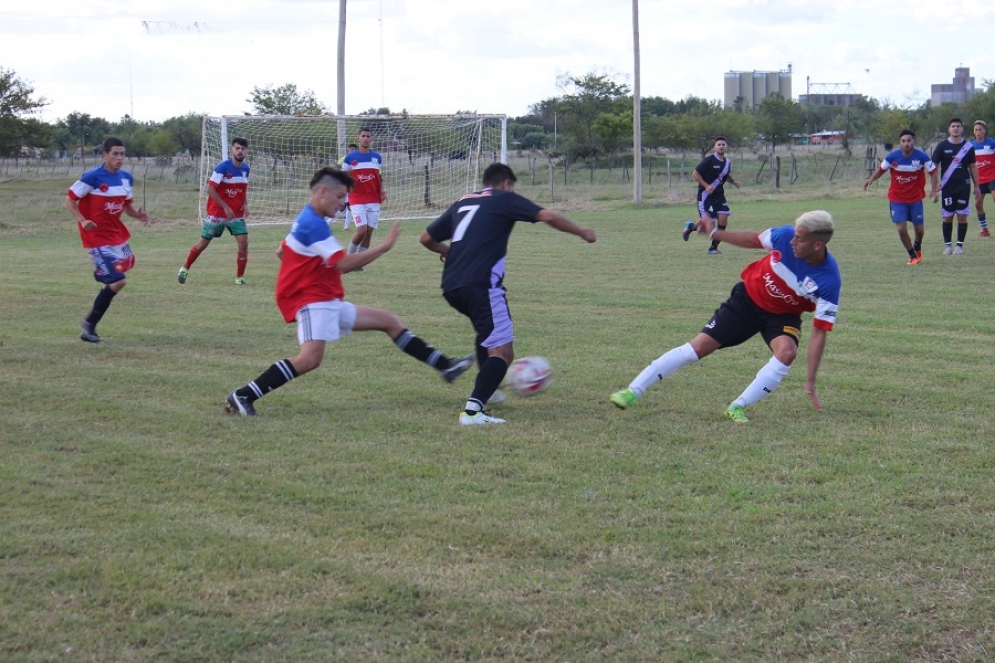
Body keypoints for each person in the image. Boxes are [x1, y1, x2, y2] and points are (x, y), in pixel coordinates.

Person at [225, 167, 472, 417]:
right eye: (341, 196)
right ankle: (244, 394)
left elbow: (282, 251)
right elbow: (342, 264)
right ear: (323, 192)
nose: (344, 203)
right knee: (310, 359)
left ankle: (446, 366)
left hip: (323, 298)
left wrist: (302, 271)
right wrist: (384, 247)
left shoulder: (307, 218)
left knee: (390, 321)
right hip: (312, 301)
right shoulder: (313, 224)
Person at [611, 210, 841, 423]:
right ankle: (633, 390)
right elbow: (753, 239)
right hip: (747, 301)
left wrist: (810, 380)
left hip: (782, 315)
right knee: (698, 348)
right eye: (795, 235)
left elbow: (820, 331)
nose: (793, 241)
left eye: (800, 239)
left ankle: (737, 407)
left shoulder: (828, 280)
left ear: (818, 244)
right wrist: (714, 232)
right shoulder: (784, 236)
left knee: (787, 352)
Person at [419, 163, 597, 426]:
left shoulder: (464, 201)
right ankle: (473, 412)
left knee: (487, 334)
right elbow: (547, 216)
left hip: (452, 285)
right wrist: (582, 232)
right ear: (505, 183)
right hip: (482, 285)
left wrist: (447, 250)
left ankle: (489, 392)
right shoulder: (504, 198)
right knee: (502, 352)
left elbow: (425, 238)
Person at [65, 137, 150, 343]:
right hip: (96, 236)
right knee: (118, 281)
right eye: (115, 154)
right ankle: (89, 326)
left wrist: (137, 215)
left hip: (116, 235)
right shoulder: (93, 177)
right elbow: (69, 200)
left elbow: (127, 207)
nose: (119, 158)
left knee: (126, 265)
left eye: (122, 154)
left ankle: (102, 272)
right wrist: (82, 220)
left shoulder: (126, 178)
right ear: (105, 155)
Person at [178, 137, 250, 285]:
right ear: (232, 150)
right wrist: (225, 206)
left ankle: (239, 278)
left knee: (243, 243)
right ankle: (185, 268)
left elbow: (242, 190)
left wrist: (245, 203)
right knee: (203, 244)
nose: (240, 151)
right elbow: (210, 189)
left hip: (236, 213)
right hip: (217, 212)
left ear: (246, 151)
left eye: (243, 148)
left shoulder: (245, 169)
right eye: (237, 148)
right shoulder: (222, 167)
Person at [863, 129, 938, 265]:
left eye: (909, 140)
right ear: (900, 142)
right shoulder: (892, 157)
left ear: (913, 142)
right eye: (903, 141)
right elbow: (881, 170)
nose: (906, 143)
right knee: (901, 228)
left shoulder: (922, 157)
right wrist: (871, 179)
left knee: (919, 230)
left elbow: (933, 172)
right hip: (897, 198)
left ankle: (917, 247)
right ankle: (912, 255)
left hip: (915, 198)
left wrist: (934, 190)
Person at [685, 136, 742, 254]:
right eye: (719, 144)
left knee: (723, 221)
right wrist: (706, 185)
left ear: (726, 147)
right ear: (714, 147)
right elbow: (695, 174)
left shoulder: (727, 162)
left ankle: (713, 248)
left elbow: (725, 176)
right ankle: (691, 227)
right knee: (709, 227)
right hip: (706, 197)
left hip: (719, 196)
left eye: (723, 144)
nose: (721, 146)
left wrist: (733, 182)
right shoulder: (708, 160)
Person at [931, 118, 979, 254]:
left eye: (958, 126)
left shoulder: (968, 147)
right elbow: (933, 166)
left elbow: (973, 166)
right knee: (947, 216)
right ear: (949, 129)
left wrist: (977, 186)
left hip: (963, 186)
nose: (956, 128)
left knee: (962, 216)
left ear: (962, 129)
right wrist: (935, 185)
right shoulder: (942, 146)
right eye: (953, 126)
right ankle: (947, 246)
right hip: (947, 187)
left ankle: (959, 246)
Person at [342, 128, 387, 258]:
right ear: (358, 138)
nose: (366, 138)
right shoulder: (350, 158)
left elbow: (379, 176)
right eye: (363, 136)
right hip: (357, 198)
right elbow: (343, 177)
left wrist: (382, 191)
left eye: (368, 136)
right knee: (362, 231)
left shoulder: (377, 158)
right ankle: (349, 258)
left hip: (374, 199)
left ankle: (360, 262)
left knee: (369, 232)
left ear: (372, 139)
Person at [971, 119, 995, 237]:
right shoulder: (970, 146)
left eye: (980, 129)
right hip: (979, 180)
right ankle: (985, 230)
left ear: (984, 131)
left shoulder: (992, 143)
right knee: (977, 204)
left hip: (993, 177)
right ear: (973, 132)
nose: (978, 132)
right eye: (976, 130)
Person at [337, 143, 358, 230]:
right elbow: (338, 171)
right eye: (351, 149)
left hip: (352, 185)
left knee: (350, 205)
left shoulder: (358, 159)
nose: (353, 151)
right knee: (341, 205)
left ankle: (346, 227)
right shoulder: (343, 159)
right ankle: (327, 222)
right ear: (348, 150)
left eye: (354, 149)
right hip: (344, 184)